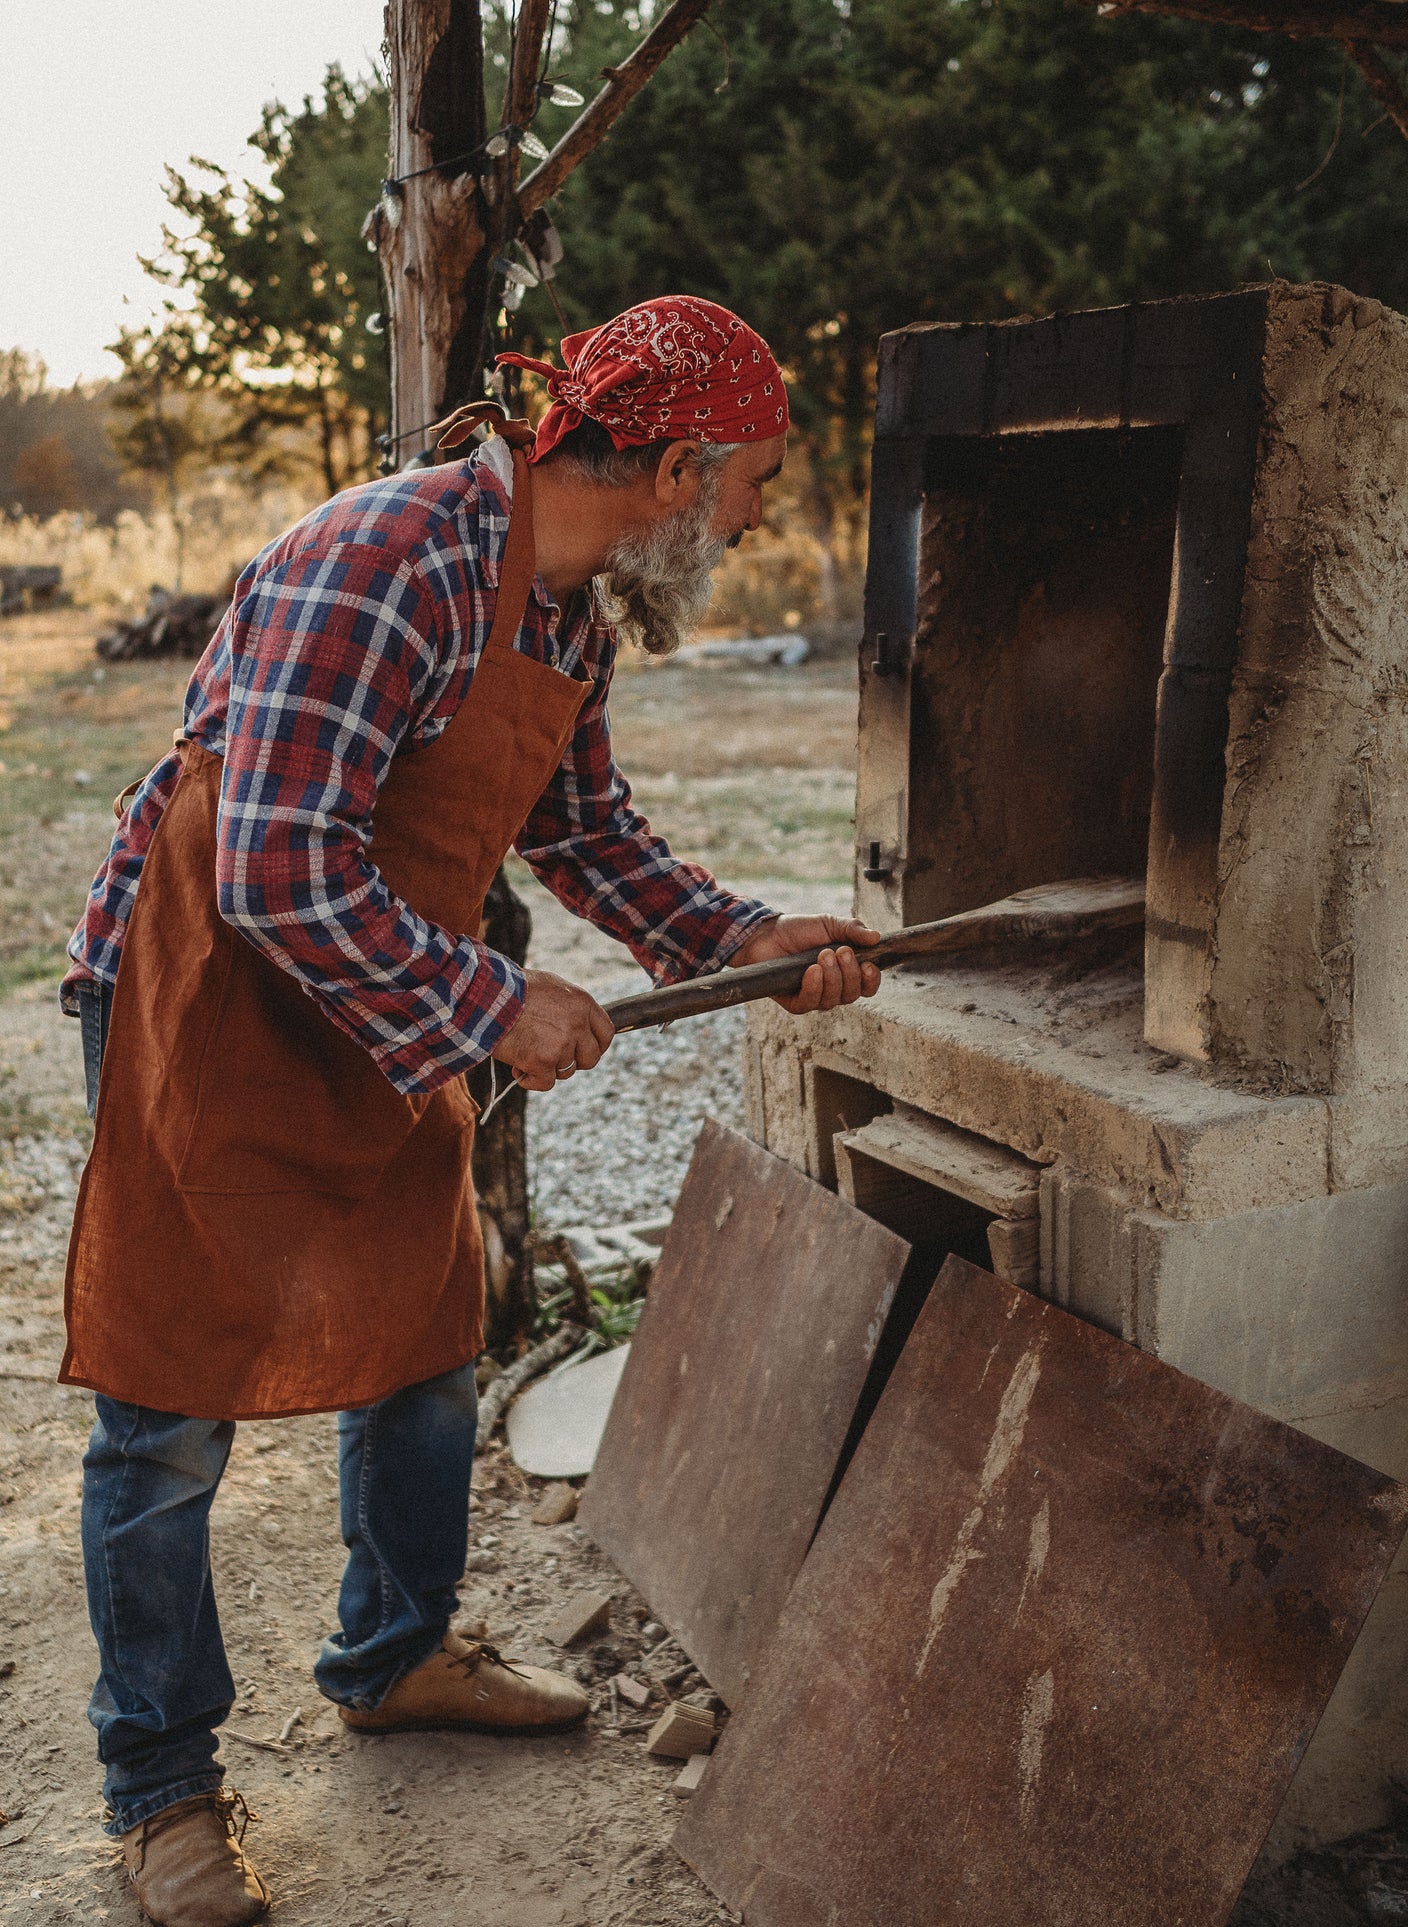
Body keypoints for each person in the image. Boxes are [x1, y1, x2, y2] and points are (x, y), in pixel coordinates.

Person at [59, 295, 881, 1927]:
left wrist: (735, 943)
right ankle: (158, 1786)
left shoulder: (568, 607)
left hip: (380, 998)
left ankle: (393, 1652)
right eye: (756, 482)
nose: (763, 514)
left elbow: (584, 832)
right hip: (214, 996)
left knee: (430, 1346)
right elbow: (277, 863)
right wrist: (496, 1005)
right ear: (670, 464)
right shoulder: (393, 557)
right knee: (169, 1411)